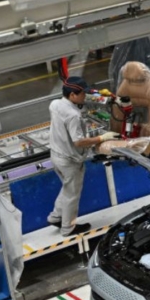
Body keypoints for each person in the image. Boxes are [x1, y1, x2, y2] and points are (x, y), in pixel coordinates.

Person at [48, 77, 118, 236]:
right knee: (72, 194)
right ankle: (68, 228)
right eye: (82, 94)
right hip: (69, 160)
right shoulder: (73, 115)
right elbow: (79, 142)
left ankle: (56, 217)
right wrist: (102, 138)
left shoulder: (55, 104)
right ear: (72, 95)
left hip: (56, 155)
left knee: (67, 188)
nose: (85, 96)